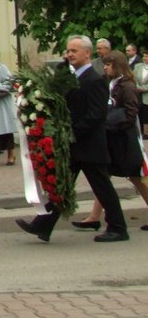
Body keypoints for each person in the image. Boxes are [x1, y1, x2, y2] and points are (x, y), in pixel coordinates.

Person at [16, 34, 128, 244]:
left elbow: (96, 114)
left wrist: (72, 133)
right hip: (75, 145)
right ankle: (44, 224)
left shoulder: (94, 79)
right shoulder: (71, 77)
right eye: (68, 51)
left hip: (89, 144)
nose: (69, 54)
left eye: (74, 51)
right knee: (61, 185)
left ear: (87, 53)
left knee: (102, 187)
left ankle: (118, 228)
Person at [71, 50, 148, 231]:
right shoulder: (111, 83)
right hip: (113, 140)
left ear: (117, 65)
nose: (104, 67)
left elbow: (130, 114)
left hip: (125, 141)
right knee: (102, 178)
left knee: (137, 178)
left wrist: (112, 124)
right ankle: (94, 217)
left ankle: (98, 218)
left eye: (108, 64)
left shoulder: (127, 86)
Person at [132, 48, 148, 139]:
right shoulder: (138, 66)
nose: (145, 58)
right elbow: (133, 77)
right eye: (144, 56)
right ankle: (139, 130)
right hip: (137, 93)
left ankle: (146, 133)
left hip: (146, 94)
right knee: (138, 111)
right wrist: (137, 87)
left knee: (146, 113)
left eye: (147, 56)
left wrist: (143, 89)